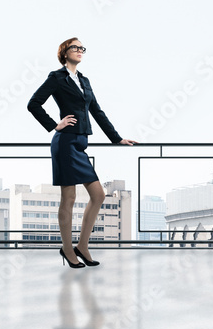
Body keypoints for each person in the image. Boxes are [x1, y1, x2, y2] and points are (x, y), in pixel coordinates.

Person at [27, 38, 136, 268]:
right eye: (75, 48)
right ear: (64, 53)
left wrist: (116, 138)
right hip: (64, 143)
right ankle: (68, 249)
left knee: (98, 195)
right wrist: (54, 124)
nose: (79, 51)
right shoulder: (56, 77)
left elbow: (96, 110)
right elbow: (34, 103)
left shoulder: (84, 80)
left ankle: (82, 246)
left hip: (80, 144)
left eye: (82, 48)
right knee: (69, 198)